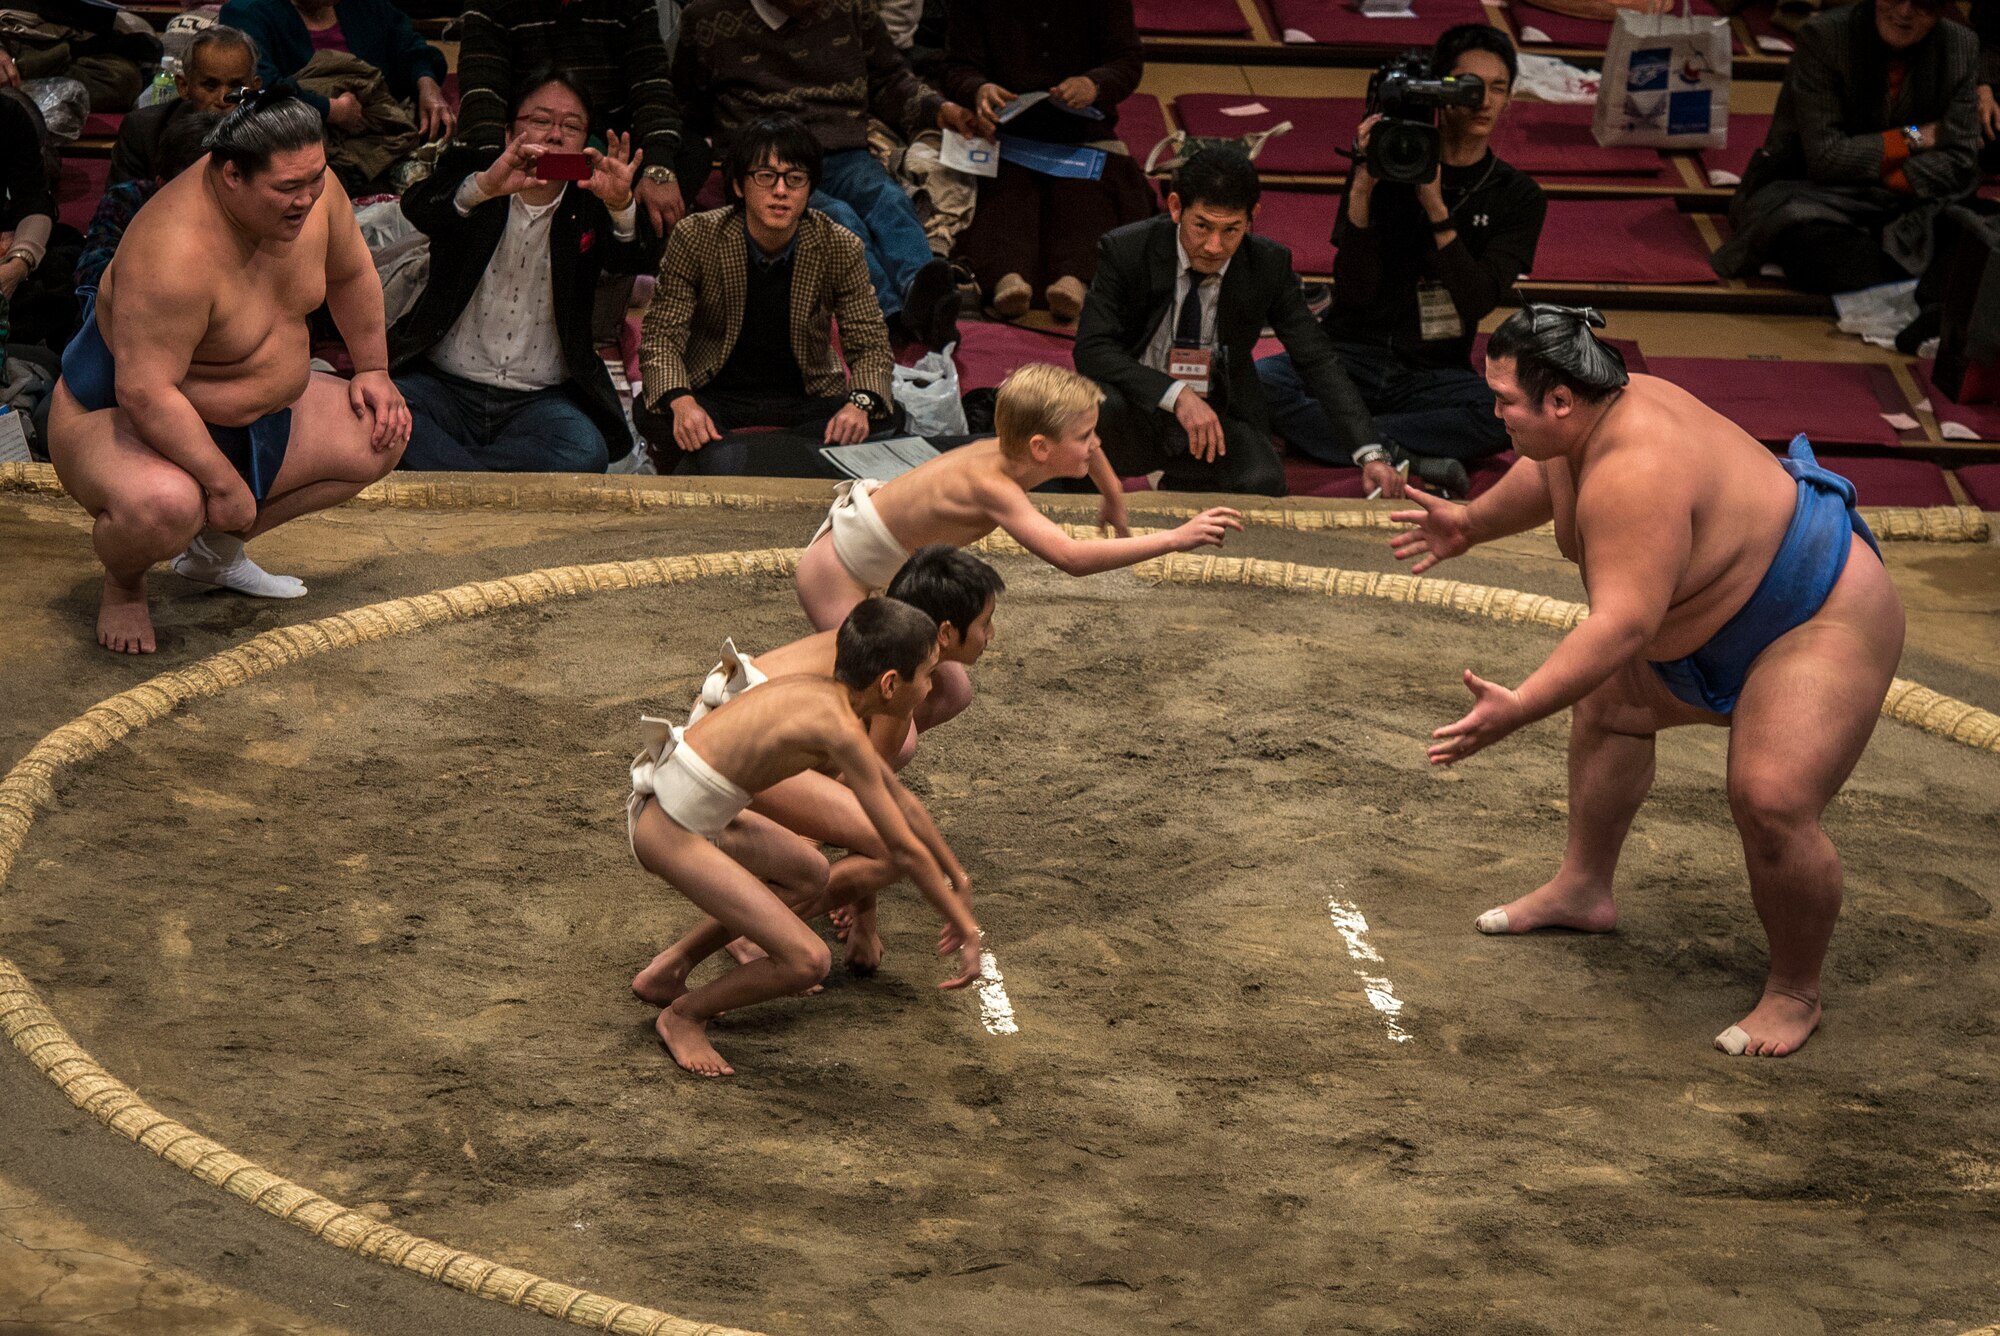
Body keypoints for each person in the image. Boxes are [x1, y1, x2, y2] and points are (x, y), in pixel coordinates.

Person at [1390, 305, 1904, 1058]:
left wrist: (1521, 705)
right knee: (1609, 705)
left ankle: (1796, 991)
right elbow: (1549, 471)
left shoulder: (1636, 468)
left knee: (1770, 800)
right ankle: (1583, 889)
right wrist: (1471, 523)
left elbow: (1623, 626)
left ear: (1560, 399)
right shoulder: (1584, 426)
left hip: (1813, 616)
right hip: (1711, 619)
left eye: (1505, 400)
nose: (1493, 412)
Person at [47, 90, 410, 654]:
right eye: (288, 188)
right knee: (167, 508)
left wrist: (374, 368)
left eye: (315, 179)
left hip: (261, 415)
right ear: (232, 175)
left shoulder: (314, 189)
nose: (308, 198)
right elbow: (144, 393)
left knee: (381, 431)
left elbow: (351, 273)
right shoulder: (171, 252)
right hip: (122, 421)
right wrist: (222, 483)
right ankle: (124, 584)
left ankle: (213, 557)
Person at [627, 597, 985, 1077]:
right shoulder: (834, 724)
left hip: (701, 809)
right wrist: (960, 919)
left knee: (810, 874)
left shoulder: (825, 695)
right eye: (927, 676)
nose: (929, 689)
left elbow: (901, 802)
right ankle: (684, 1016)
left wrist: (955, 879)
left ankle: (670, 971)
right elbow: (899, 844)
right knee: (808, 961)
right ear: (890, 684)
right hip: (669, 827)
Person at [1257, 25, 1546, 499]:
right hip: (1349, 352)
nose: (1483, 102)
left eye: (1497, 88)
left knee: (1509, 416)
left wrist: (1435, 208)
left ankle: (1355, 438)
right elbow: (1354, 291)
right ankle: (1405, 449)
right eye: (1469, 86)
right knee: (1257, 380)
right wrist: (1363, 188)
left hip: (1434, 370)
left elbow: (1476, 300)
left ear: (1511, 97)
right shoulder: (1387, 159)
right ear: (1438, 89)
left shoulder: (1518, 195)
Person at [689, 545, 1004, 972]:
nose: (992, 635)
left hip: (731, 726)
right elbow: (876, 800)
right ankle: (754, 925)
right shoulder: (901, 668)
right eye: (985, 623)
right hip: (726, 750)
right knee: (884, 849)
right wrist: (867, 922)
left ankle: (778, 872)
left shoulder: (891, 642)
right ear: (945, 633)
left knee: (872, 818)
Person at [670, 0, 982, 350]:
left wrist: (939, 109)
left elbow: (888, 79)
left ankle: (925, 298)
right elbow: (685, 106)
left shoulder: (850, 6)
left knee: (889, 200)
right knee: (838, 217)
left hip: (842, 150)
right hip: (765, 162)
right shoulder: (706, 17)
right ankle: (885, 314)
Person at [389, 70, 655, 473]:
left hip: (539, 400)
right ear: (510, 131)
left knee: (586, 451)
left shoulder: (591, 198)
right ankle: (488, 480)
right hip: (442, 386)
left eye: (571, 126)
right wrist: (483, 187)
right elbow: (419, 207)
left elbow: (633, 259)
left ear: (586, 141)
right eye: (541, 121)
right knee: (386, 419)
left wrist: (621, 205)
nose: (554, 135)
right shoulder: (477, 171)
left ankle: (453, 475)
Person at [1074, 146, 1379, 497]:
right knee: (1082, 425)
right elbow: (1093, 350)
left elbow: (1317, 359)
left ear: (1253, 217)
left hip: (1217, 413)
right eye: (1202, 226)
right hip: (1134, 404)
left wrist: (1369, 450)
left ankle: (1185, 480)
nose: (1214, 246)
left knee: (1263, 481)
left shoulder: (1268, 264)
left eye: (1231, 230)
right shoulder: (1127, 249)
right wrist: (1176, 394)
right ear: (1176, 208)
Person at [634, 115, 898, 474]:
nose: (780, 191)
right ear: (740, 185)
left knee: (887, 413)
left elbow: (870, 344)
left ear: (809, 188)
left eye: (795, 179)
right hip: (715, 392)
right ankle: (796, 459)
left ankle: (728, 458)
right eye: (765, 176)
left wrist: (859, 405)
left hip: (806, 396)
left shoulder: (839, 244)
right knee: (651, 407)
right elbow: (662, 336)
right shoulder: (696, 236)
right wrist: (682, 401)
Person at [1712, 0, 1979, 308]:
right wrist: (1915, 136)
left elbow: (1961, 157)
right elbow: (1827, 158)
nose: (1904, 13)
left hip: (1911, 197)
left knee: (1978, 238)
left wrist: (1893, 179)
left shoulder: (1960, 44)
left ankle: (1915, 282)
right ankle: (1923, 283)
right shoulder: (1826, 36)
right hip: (1815, 193)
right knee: (1810, 247)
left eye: (1922, 4)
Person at [937, 0, 1156, 322]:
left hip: (1082, 129)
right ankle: (1006, 277)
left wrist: (1095, 84)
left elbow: (1126, 61)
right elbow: (957, 68)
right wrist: (978, 90)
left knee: (1087, 195)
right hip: (1004, 130)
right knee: (1002, 195)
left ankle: (1075, 280)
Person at [456, 0, 686, 236]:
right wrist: (495, 163)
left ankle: (622, 255)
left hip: (606, 139)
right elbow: (482, 92)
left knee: (682, 157)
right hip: (523, 138)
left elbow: (651, 85)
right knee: (470, 174)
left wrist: (659, 167)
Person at [78, 110, 221, 291]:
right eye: (200, 190)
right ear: (163, 185)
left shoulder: (245, 207)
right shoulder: (128, 200)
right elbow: (90, 275)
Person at [108, 27, 260, 188]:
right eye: (210, 85)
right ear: (184, 86)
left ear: (254, 89)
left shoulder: (275, 135)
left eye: (236, 86)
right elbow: (121, 206)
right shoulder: (142, 131)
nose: (223, 98)